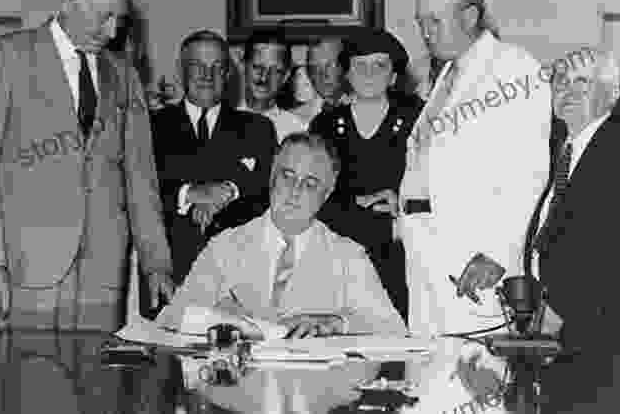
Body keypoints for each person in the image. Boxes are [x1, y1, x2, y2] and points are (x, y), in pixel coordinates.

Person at [0, 0, 174, 330]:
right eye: (103, 16)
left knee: (96, 385)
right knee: (28, 382)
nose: (112, 32)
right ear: (68, 4)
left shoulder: (125, 75)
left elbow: (141, 176)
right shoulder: (4, 57)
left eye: (119, 19)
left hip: (103, 274)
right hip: (24, 270)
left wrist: (156, 262)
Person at [398, 0, 551, 338]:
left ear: (469, 17)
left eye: (435, 21)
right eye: (421, 23)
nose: (426, 32)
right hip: (428, 261)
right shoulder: (446, 75)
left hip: (477, 264)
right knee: (430, 382)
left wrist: (500, 250)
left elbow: (529, 172)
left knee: (478, 378)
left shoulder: (512, 67)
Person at [156, 132, 406, 337]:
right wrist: (221, 319)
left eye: (310, 183)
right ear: (271, 178)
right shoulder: (225, 246)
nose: (295, 191)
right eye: (287, 176)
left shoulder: (348, 255)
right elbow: (171, 317)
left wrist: (335, 323)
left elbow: (393, 328)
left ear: (327, 194)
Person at [523, 49, 620, 352]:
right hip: (555, 326)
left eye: (582, 82)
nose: (567, 90)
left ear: (611, 95)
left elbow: (615, 247)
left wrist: (557, 311)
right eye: (561, 81)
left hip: (596, 334)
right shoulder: (563, 151)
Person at [309, 27, 425, 323]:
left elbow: (439, 189)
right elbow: (314, 198)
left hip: (405, 261)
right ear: (346, 72)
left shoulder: (419, 119)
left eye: (380, 65)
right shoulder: (324, 126)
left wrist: (403, 206)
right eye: (360, 65)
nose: (369, 73)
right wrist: (366, 216)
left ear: (395, 75)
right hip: (341, 261)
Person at [150, 30, 278, 283]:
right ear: (181, 71)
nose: (207, 76)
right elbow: (137, 195)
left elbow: (270, 192)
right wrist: (189, 194)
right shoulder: (150, 127)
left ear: (228, 74)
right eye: (197, 66)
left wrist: (229, 190)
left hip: (239, 280)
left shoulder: (258, 128)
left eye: (217, 67)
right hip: (170, 278)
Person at [238, 29, 308, 143]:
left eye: (275, 71)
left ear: (286, 76)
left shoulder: (297, 131)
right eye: (257, 67)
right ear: (243, 66)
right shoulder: (218, 123)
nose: (264, 77)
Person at [292, 37, 348, 123]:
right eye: (315, 67)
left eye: (330, 65)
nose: (323, 74)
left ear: (345, 67)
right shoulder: (294, 120)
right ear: (308, 72)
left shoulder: (364, 112)